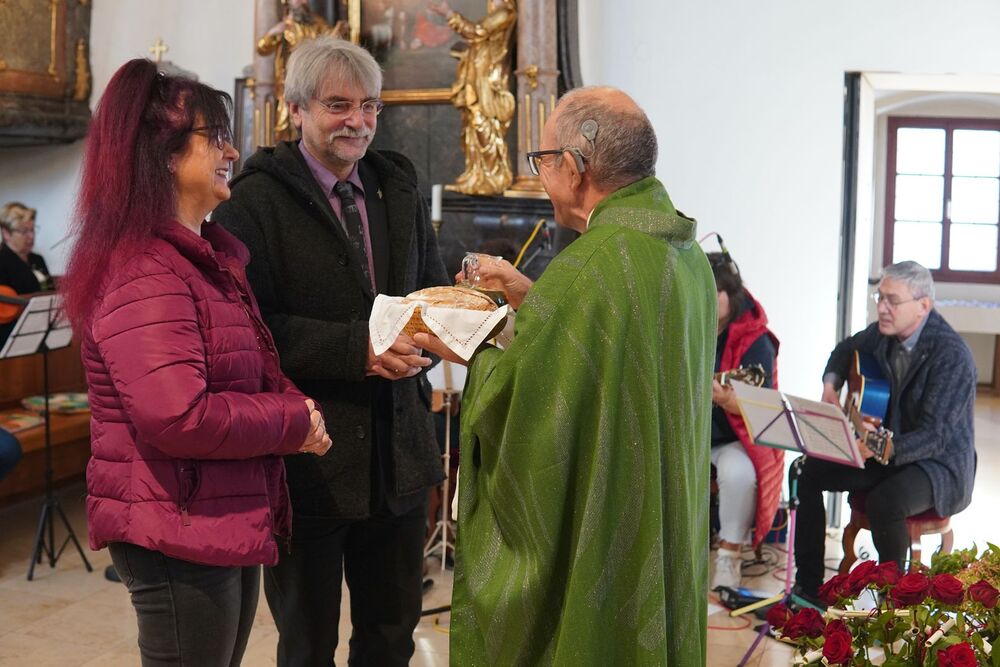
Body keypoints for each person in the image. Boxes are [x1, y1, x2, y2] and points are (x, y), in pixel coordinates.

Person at [416, 86, 717, 665]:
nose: (541, 176)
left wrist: (470, 349)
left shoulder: (589, 266)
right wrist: (535, 298)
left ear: (575, 168)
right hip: (661, 511)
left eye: (542, 160)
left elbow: (527, 406)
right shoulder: (684, 254)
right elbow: (613, 350)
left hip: (610, 528)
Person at [60, 59, 331, 666]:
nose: (232, 152)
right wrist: (291, 421)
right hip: (175, 521)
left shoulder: (202, 257)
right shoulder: (146, 270)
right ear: (164, 155)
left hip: (211, 510)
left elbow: (251, 366)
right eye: (216, 138)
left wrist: (299, 406)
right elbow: (179, 415)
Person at [212, 36, 448, 666]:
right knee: (307, 643)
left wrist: (447, 331)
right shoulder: (252, 201)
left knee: (391, 635)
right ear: (295, 109)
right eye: (338, 105)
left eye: (370, 106)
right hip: (308, 458)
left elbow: (427, 292)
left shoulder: (397, 184)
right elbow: (249, 330)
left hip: (397, 456)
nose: (358, 121)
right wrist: (357, 349)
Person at [792, 261, 977, 601]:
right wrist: (831, 384)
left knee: (885, 501)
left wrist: (881, 448)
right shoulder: (882, 333)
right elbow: (845, 348)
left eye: (893, 300)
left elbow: (936, 436)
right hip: (885, 449)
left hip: (938, 465)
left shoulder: (952, 356)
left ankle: (893, 603)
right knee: (806, 470)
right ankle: (808, 588)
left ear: (923, 305)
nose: (881, 308)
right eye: (880, 297)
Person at [707, 251, 783, 590]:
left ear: (731, 293)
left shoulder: (755, 339)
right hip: (685, 435)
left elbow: (761, 405)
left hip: (732, 438)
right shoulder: (681, 326)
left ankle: (729, 555)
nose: (707, 299)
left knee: (738, 473)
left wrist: (725, 398)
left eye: (715, 292)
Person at [428, 0, 517, 195]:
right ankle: (477, 176)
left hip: (487, 83)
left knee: (483, 125)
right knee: (472, 127)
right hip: (477, 78)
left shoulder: (505, 12)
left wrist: (448, 13)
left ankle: (493, 177)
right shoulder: (495, 14)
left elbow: (477, 31)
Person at [257, 0, 348, 142]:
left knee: (310, 120)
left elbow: (329, 45)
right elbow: (262, 49)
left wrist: (338, 31)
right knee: (284, 124)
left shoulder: (318, 24)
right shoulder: (285, 27)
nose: (301, 1)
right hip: (287, 83)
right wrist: (273, 33)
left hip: (313, 82)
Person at [0, 202, 53, 344]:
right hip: (11, 336)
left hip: (43, 328)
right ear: (6, 233)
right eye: (24, 231)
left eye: (32, 230)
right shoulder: (2, 260)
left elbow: (50, 290)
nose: (31, 236)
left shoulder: (37, 259)